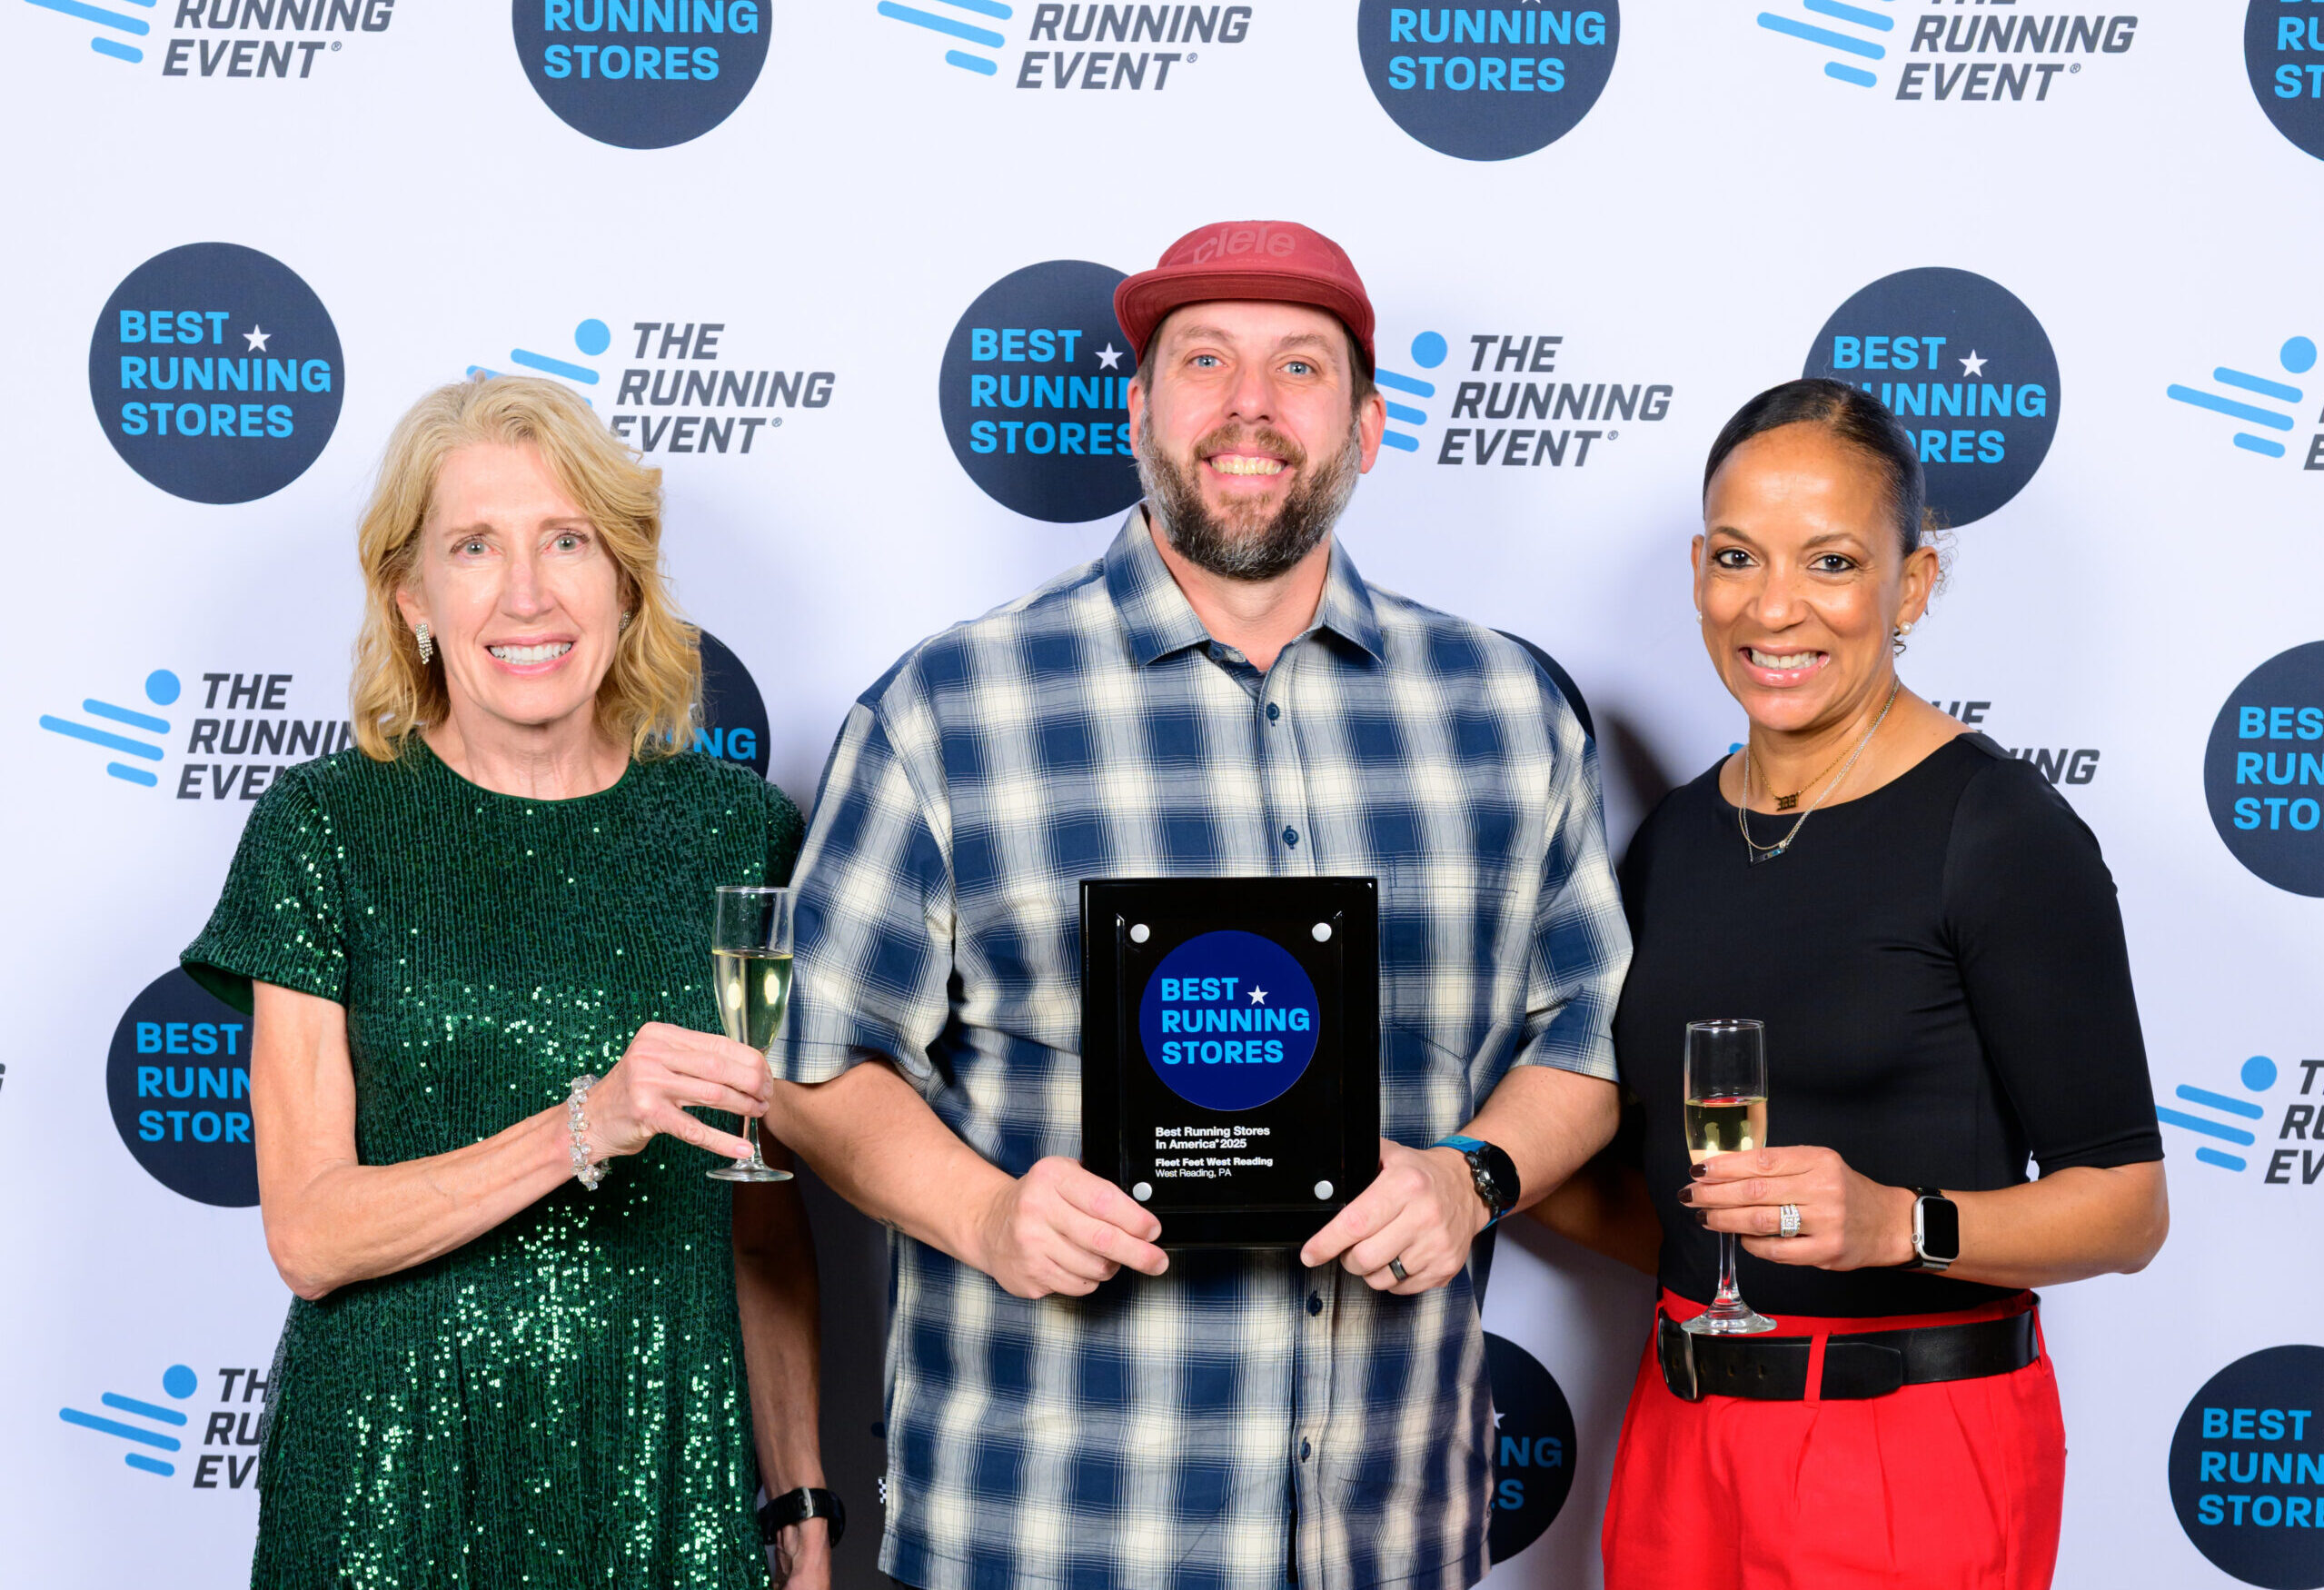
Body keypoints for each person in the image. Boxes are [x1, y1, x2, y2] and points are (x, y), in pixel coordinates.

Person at [762, 220, 1630, 1590]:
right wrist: (988, 1215)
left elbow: (1584, 1036)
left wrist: (1470, 1179)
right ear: (1135, 412)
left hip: (1384, 1526)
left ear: (1368, 427)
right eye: (1204, 361)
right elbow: (813, 1063)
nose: (1249, 404)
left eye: (1300, 367)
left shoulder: (1507, 715)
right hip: (1048, 1526)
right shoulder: (951, 708)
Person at [182, 376, 832, 1590]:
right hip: (388, 1482)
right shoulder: (322, 830)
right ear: (410, 595)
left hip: (664, 1470)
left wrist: (799, 1493)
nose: (527, 593)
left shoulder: (738, 833)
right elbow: (310, 1234)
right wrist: (588, 1121)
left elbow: (761, 1220)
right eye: (474, 546)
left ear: (625, 579)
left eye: (567, 540)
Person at [1593, 378, 2169, 1589]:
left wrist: (1898, 1222)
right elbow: (1655, 1198)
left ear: (1911, 586)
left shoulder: (1998, 830)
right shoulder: (1674, 837)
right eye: (1738, 557)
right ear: (1698, 571)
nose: (1774, 606)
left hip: (1907, 1448)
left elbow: (2126, 1209)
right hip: (1680, 1431)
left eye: (1833, 561)